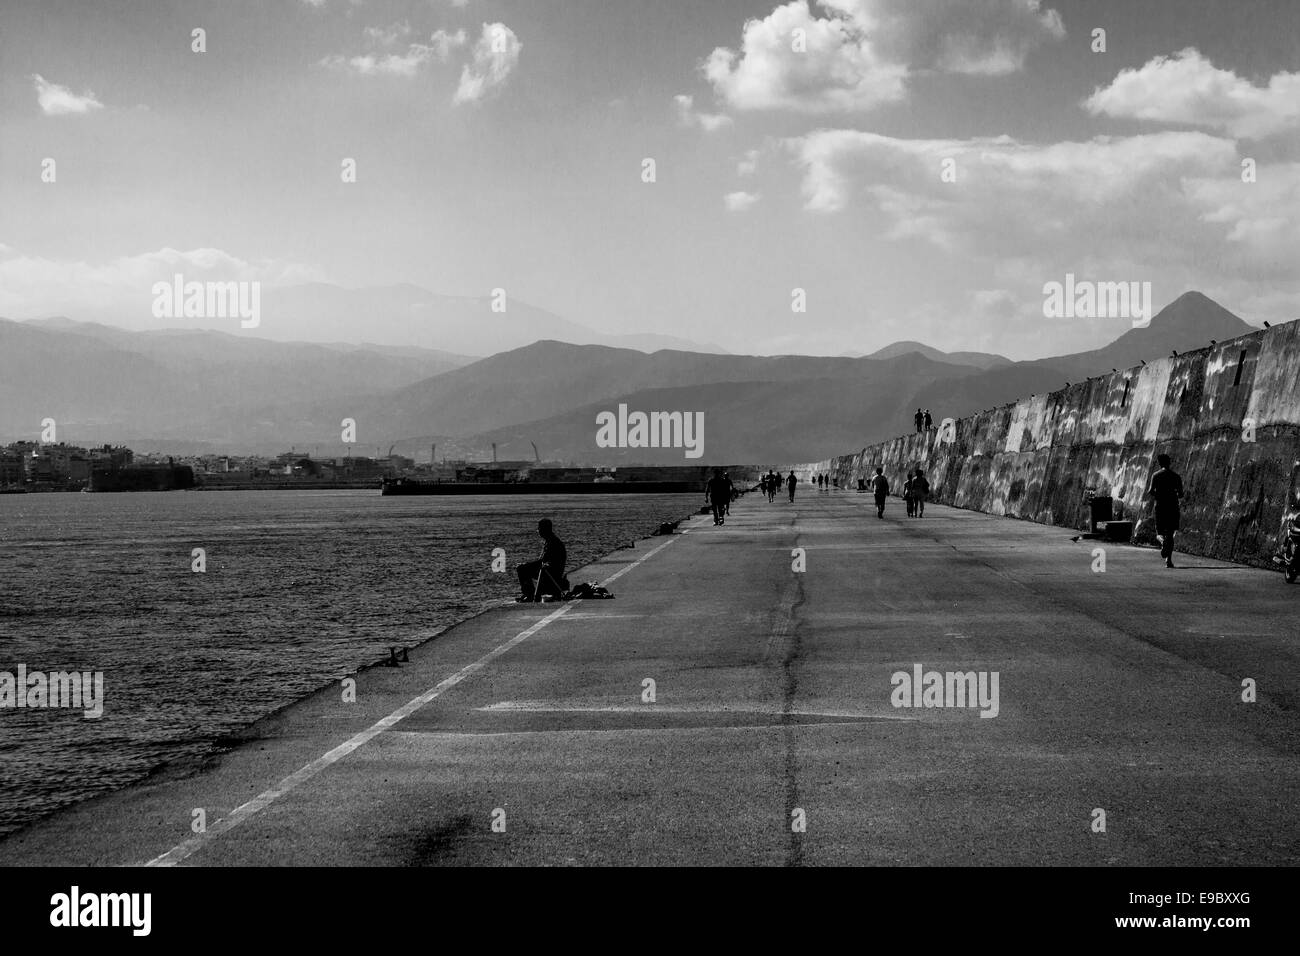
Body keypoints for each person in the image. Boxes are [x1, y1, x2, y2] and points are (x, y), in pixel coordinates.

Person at [1146, 453, 1184, 568]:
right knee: (1171, 533)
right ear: (1169, 462)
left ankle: (1163, 543)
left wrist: (1159, 494)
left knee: (1160, 533)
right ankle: (1168, 560)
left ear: (1159, 463)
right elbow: (1181, 494)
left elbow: (1150, 491)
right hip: (1172, 506)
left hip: (1160, 506)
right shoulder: (1176, 476)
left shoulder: (1156, 475)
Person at [516, 518, 567, 601]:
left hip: (551, 574)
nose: (538, 531)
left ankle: (529, 595)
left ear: (544, 529)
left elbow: (542, 562)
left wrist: (526, 565)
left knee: (521, 569)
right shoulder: (551, 540)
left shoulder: (553, 543)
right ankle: (529, 594)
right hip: (550, 572)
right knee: (524, 568)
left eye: (539, 528)